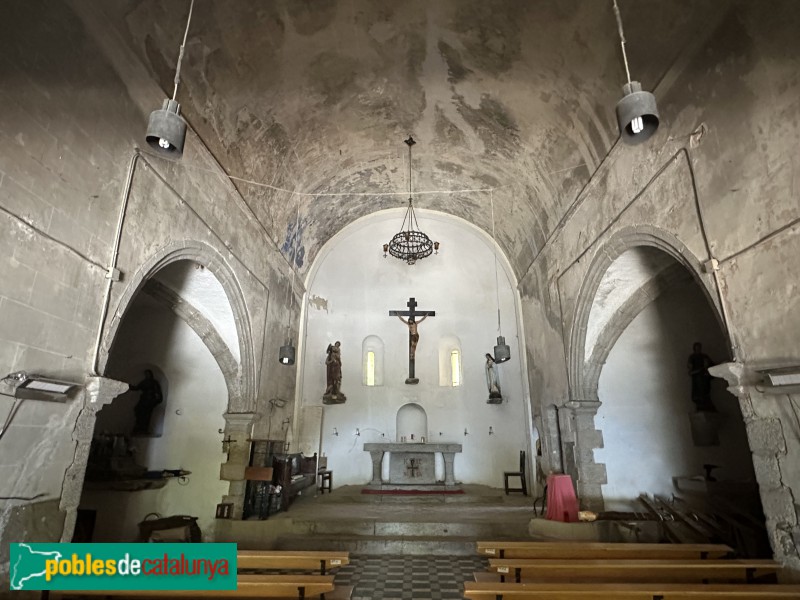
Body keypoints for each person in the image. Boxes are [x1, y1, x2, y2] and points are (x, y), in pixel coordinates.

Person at [130, 370, 163, 434]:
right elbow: (137, 388)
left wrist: (157, 399)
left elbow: (157, 391)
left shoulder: (154, 382)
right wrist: (129, 386)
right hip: (143, 399)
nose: (147, 375)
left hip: (150, 400)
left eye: (148, 374)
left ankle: (144, 428)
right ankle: (138, 426)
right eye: (146, 374)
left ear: (151, 374)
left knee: (146, 414)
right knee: (138, 410)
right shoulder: (144, 382)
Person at [687, 342, 715, 411]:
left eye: (699, 348)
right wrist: (698, 370)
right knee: (699, 392)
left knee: (706, 391)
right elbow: (690, 370)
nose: (698, 349)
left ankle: (706, 404)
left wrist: (707, 367)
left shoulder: (704, 356)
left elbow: (711, 364)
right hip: (697, 377)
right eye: (697, 348)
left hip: (705, 377)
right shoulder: (692, 357)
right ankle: (701, 404)